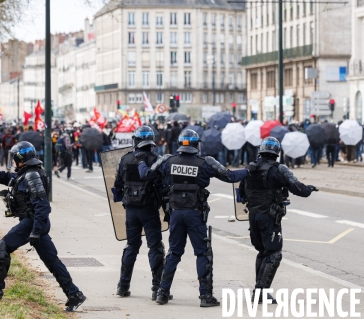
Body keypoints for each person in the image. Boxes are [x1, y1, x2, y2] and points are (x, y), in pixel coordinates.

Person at [138, 129, 249, 307]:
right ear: (197, 144)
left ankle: (162, 293)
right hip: (195, 214)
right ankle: (205, 297)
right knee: (203, 253)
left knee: (173, 253)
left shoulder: (167, 160)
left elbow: (146, 175)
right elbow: (230, 176)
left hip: (175, 214)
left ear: (180, 144)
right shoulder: (206, 162)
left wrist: (141, 161)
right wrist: (249, 169)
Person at [0, 141, 86, 311]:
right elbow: (6, 177)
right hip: (34, 223)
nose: (12, 161)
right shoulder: (25, 173)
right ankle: (74, 294)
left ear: (21, 159)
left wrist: (36, 230)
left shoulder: (32, 175)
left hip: (32, 222)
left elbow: (43, 206)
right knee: (52, 261)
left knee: (2, 247)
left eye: (14, 158)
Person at [240, 137, 318, 303]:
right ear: (277, 152)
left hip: (252, 215)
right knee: (274, 254)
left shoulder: (250, 169)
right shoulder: (278, 169)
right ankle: (261, 292)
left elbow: (240, 194)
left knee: (262, 252)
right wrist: (309, 189)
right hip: (269, 216)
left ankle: (258, 292)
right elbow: (298, 188)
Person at [113, 126, 166, 300]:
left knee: (131, 246)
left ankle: (122, 285)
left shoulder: (125, 159)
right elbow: (163, 186)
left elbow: (117, 186)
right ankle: (157, 288)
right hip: (149, 209)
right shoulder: (156, 159)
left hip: (131, 210)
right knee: (155, 247)